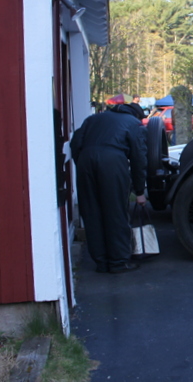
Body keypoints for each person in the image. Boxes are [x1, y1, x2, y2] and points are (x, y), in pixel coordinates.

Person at [71, 103, 148, 273]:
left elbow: (76, 143)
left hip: (86, 161)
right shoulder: (133, 124)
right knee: (116, 212)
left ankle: (101, 261)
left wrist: (83, 163)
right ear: (137, 115)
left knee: (91, 212)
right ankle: (118, 262)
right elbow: (138, 158)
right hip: (113, 161)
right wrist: (140, 191)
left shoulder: (93, 119)